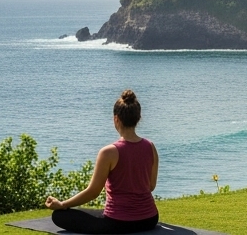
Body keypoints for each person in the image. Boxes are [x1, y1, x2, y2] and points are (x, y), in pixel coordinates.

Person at [44, 89, 160, 234]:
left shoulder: (109, 152)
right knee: (94, 212)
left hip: (118, 223)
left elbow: (93, 192)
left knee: (60, 216)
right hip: (149, 219)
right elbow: (150, 185)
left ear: (116, 119)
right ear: (138, 118)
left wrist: (62, 204)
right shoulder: (150, 147)